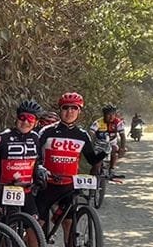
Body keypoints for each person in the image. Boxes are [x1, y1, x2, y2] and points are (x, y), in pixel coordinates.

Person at [0, 99, 51, 247]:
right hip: (5, 190)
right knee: (5, 229)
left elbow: (37, 162)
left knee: (34, 230)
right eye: (22, 118)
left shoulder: (36, 138)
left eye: (30, 119)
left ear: (35, 122)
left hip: (26, 192)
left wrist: (39, 172)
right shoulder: (4, 137)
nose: (26, 122)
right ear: (16, 118)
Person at [38, 92, 105, 236]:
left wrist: (104, 152)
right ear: (60, 110)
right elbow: (34, 155)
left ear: (79, 111)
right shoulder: (46, 131)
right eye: (65, 108)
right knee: (37, 227)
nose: (69, 112)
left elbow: (92, 160)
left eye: (74, 108)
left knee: (69, 225)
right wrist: (38, 168)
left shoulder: (82, 135)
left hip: (68, 187)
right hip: (47, 185)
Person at [96, 104, 128, 180]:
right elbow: (91, 133)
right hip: (99, 144)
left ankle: (112, 170)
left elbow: (122, 136)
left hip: (112, 143)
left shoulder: (118, 122)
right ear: (104, 115)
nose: (111, 117)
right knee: (96, 162)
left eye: (113, 114)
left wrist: (122, 148)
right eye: (108, 114)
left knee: (114, 149)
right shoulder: (98, 122)